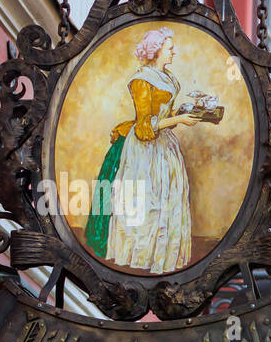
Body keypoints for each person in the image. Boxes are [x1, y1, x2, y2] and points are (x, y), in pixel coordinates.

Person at [84, 26, 201, 273]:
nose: (173, 52)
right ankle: (139, 259)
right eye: (170, 48)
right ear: (156, 51)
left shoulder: (169, 78)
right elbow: (144, 128)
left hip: (165, 148)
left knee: (165, 201)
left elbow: (163, 115)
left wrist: (183, 113)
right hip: (144, 152)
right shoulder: (141, 81)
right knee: (145, 202)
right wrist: (179, 121)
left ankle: (159, 258)